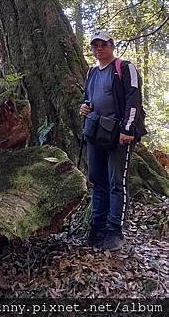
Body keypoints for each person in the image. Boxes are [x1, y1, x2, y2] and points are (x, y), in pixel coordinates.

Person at [80, 30, 146, 251]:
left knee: (116, 182)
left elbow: (133, 99)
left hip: (118, 134)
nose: (99, 49)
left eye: (103, 44)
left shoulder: (124, 68)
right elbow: (88, 98)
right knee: (98, 181)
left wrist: (127, 129)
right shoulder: (91, 72)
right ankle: (97, 227)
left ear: (112, 45)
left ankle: (114, 230)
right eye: (95, 45)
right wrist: (85, 106)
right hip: (96, 132)